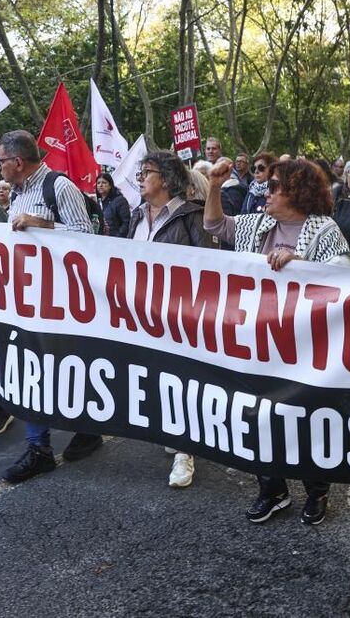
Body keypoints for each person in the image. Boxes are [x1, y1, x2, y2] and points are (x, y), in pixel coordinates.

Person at [204, 157, 350, 526]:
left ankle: (316, 490)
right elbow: (215, 224)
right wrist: (214, 186)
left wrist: (301, 263)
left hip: (303, 347)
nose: (265, 191)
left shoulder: (323, 229)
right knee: (257, 415)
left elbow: (346, 271)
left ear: (297, 193)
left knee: (304, 417)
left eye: (274, 186)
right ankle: (272, 489)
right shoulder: (258, 223)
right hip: (256, 341)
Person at [0, 130, 97, 483]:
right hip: (27, 299)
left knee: (66, 369)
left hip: (62, 301)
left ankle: (89, 429)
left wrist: (43, 224)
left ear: (17, 162)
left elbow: (86, 238)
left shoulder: (60, 187)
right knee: (30, 370)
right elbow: (18, 238)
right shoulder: (20, 194)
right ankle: (38, 448)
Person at [130, 152, 215, 487]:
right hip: (143, 313)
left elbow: (211, 268)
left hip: (181, 316)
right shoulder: (137, 216)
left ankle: (185, 453)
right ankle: (174, 430)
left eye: (145, 172)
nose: (139, 178)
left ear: (165, 179)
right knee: (157, 377)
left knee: (181, 381)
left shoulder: (192, 217)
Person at [96, 172, 130, 238]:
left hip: (116, 241)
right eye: (98, 183)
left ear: (110, 186)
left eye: (104, 183)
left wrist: (117, 238)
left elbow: (126, 223)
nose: (100, 185)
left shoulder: (120, 200)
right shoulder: (98, 202)